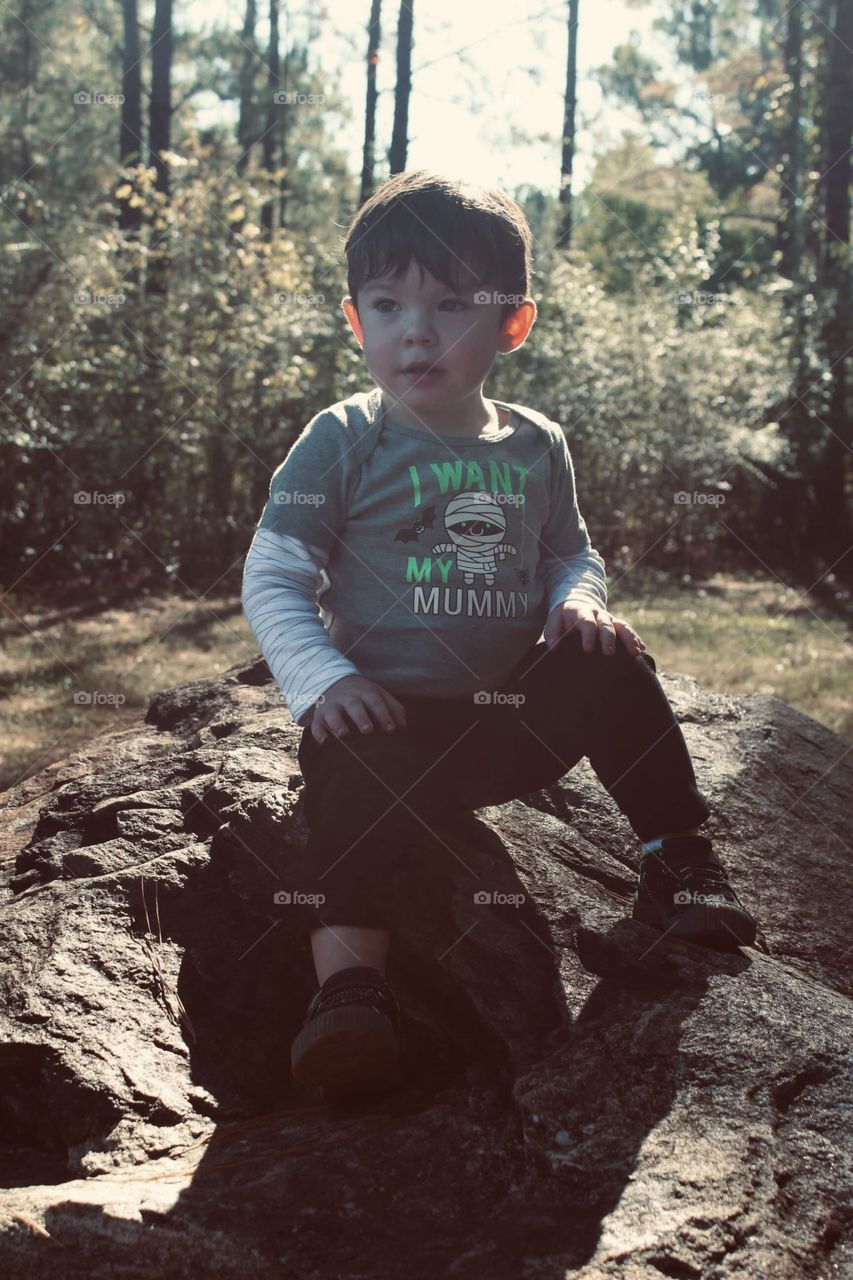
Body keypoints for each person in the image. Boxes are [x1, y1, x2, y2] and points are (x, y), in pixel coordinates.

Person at [241, 170, 758, 1102]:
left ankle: (675, 860)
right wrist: (321, 681)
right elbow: (275, 574)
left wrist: (579, 601)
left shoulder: (533, 445)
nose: (417, 331)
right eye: (388, 305)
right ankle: (350, 991)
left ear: (512, 325)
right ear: (355, 321)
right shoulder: (342, 440)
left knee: (614, 661)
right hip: (384, 729)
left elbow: (572, 554)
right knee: (349, 780)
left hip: (502, 729)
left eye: (450, 307)